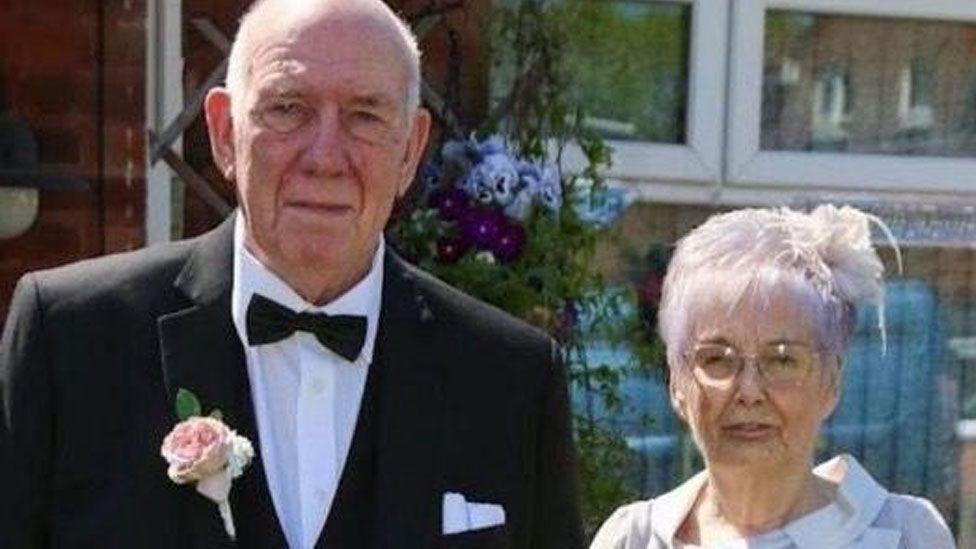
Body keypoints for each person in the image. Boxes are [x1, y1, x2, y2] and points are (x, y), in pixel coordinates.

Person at [0, 1, 583, 547]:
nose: (325, 155)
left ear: (410, 150)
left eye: (365, 115)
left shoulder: (512, 378)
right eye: (288, 109)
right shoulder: (70, 339)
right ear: (225, 133)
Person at [591, 206, 955, 549]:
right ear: (677, 383)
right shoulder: (634, 539)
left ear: (831, 382)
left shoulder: (905, 536)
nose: (749, 391)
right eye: (717, 358)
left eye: (782, 360)